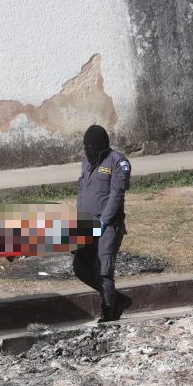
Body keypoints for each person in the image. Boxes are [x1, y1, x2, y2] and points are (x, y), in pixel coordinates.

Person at [73, 124, 132, 323]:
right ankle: (119, 300)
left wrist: (104, 222)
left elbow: (116, 195)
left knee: (104, 269)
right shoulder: (86, 162)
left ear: (101, 145)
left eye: (91, 146)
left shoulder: (118, 162)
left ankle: (108, 313)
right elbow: (82, 190)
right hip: (86, 224)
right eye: (85, 146)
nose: (87, 150)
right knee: (80, 265)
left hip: (109, 224)